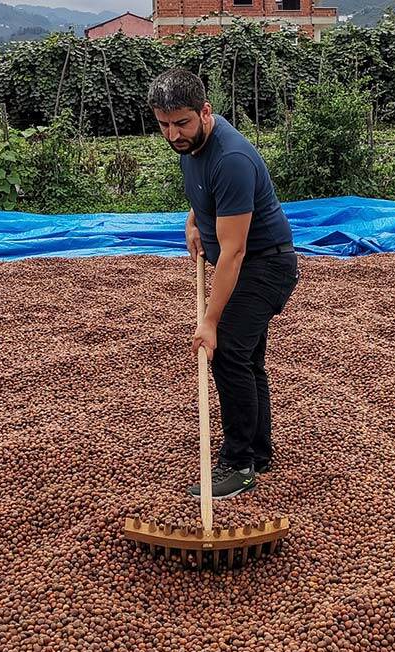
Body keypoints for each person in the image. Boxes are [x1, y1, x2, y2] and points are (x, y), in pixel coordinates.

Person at [147, 67, 299, 500]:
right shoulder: (192, 144)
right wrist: (193, 220)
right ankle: (258, 451)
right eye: (164, 125)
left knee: (229, 354)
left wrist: (209, 322)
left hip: (263, 266)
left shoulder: (231, 160)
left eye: (182, 123)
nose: (174, 134)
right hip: (244, 261)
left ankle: (238, 464)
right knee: (247, 360)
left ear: (205, 112)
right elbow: (202, 193)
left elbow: (233, 253)